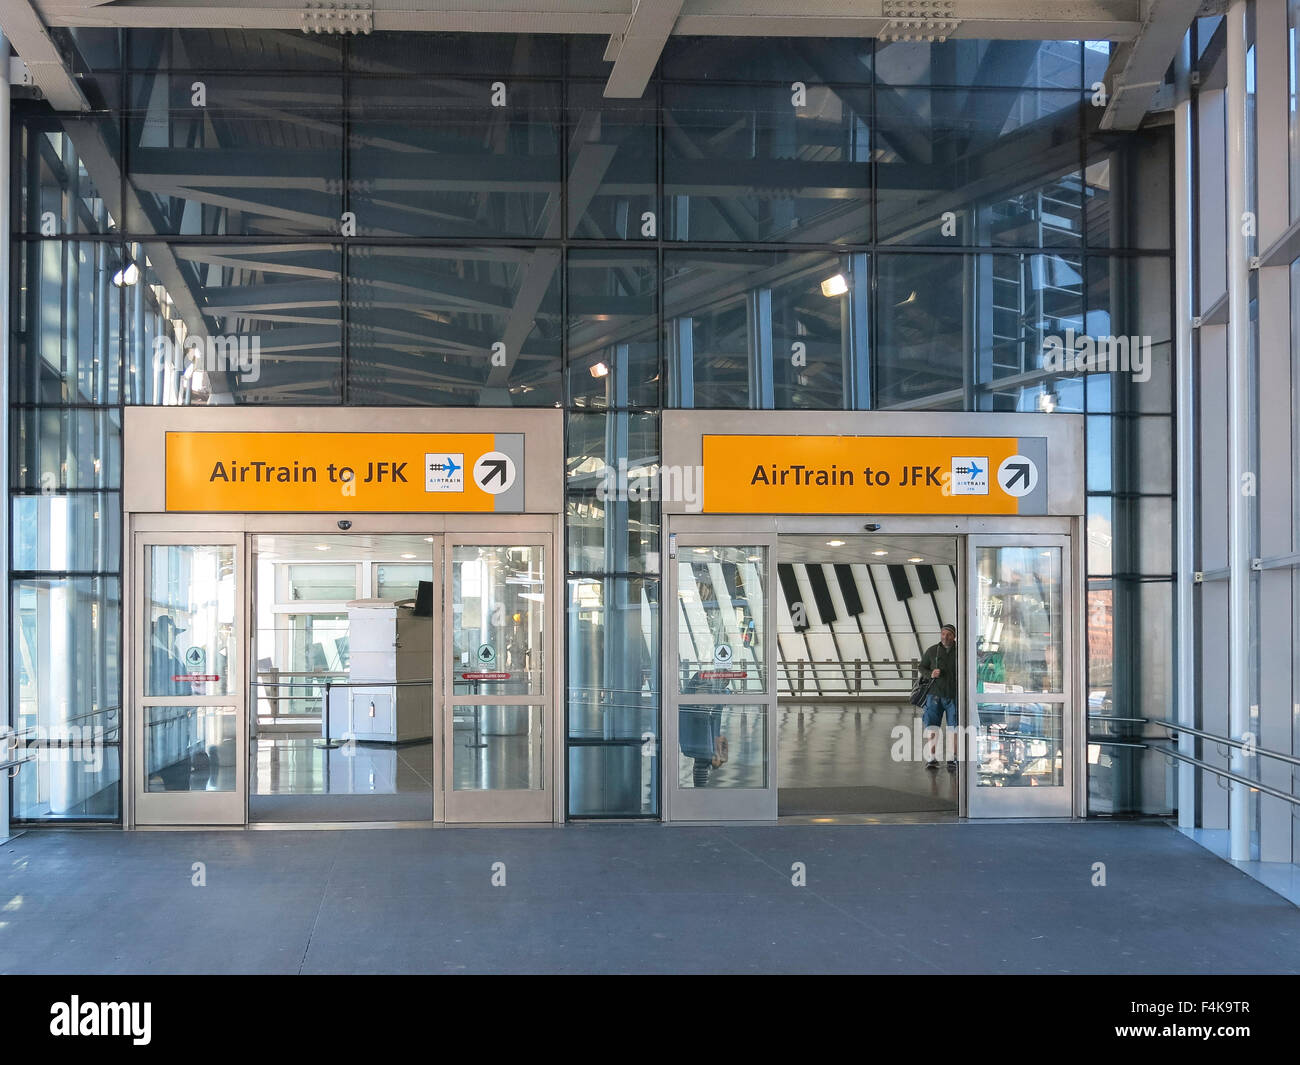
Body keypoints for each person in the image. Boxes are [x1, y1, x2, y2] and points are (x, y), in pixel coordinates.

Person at [919, 623, 959, 770]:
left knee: (953, 727)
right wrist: (930, 674)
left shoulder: (960, 651)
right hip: (934, 695)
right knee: (932, 726)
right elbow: (921, 667)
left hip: (953, 695)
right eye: (943, 634)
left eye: (948, 634)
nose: (945, 637)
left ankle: (952, 758)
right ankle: (931, 757)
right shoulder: (932, 651)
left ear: (954, 636)